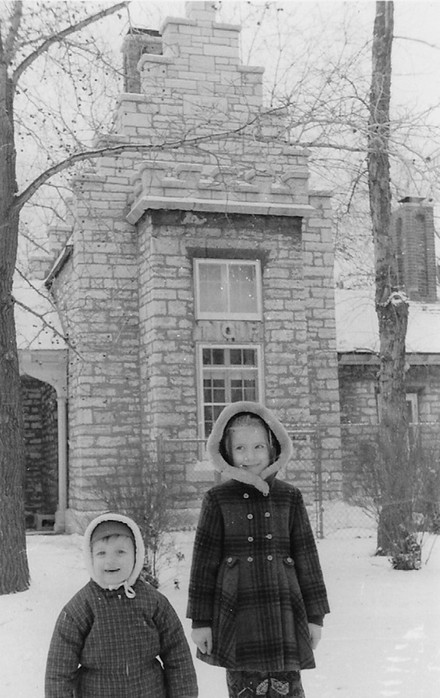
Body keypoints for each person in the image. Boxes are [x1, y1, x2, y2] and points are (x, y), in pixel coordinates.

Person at [187, 401, 330, 698]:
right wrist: (201, 621)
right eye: (239, 448)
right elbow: (204, 566)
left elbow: (307, 558)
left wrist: (315, 616)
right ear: (225, 452)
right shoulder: (217, 499)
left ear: (274, 449)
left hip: (284, 614)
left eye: (257, 447)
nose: (249, 456)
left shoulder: (289, 497)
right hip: (237, 613)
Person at [45, 512, 198, 698]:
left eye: (121, 552)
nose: (110, 560)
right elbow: (59, 670)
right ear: (90, 557)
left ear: (136, 555)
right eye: (101, 553)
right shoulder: (80, 608)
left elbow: (178, 657)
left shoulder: (154, 602)